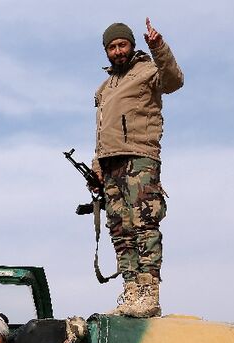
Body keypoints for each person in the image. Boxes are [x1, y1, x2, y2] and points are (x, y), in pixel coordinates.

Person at [92, 18, 183, 318]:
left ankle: (149, 292)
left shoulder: (147, 71)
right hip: (111, 162)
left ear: (132, 45)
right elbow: (101, 130)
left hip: (139, 158)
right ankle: (131, 291)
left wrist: (158, 46)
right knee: (120, 229)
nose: (118, 51)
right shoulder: (104, 88)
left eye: (122, 45)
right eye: (112, 47)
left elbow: (174, 80)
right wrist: (97, 164)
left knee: (144, 224)